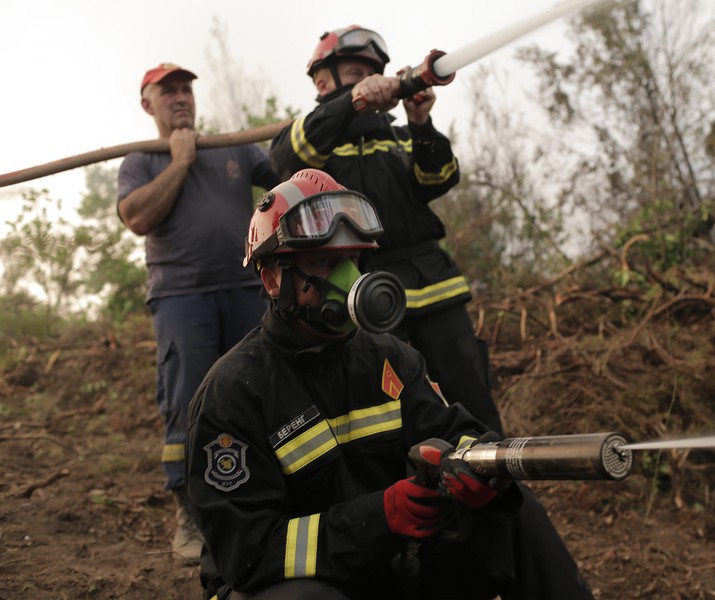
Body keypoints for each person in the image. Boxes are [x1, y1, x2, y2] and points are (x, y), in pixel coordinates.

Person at [184, 169, 596, 600]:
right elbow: (248, 552)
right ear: (273, 278)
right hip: (286, 583)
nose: (348, 281)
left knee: (514, 513)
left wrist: (479, 470)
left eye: (353, 261)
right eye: (325, 262)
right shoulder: (233, 393)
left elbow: (457, 432)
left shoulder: (390, 358)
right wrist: (378, 518)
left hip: (384, 562)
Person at [269, 26, 503, 435]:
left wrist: (421, 121)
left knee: (472, 395)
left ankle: (499, 482)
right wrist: (354, 102)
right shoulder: (313, 138)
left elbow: (439, 179)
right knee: (384, 407)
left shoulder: (398, 137)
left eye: (370, 72)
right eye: (355, 71)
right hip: (362, 290)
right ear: (325, 80)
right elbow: (286, 158)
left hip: (434, 286)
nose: (367, 79)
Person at [116, 63, 282, 564]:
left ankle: (268, 497)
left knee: (262, 390)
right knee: (188, 401)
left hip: (245, 288)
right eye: (168, 91)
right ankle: (190, 513)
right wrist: (179, 162)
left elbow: (291, 173)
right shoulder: (141, 160)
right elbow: (137, 217)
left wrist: (320, 126)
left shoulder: (230, 146)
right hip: (181, 297)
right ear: (148, 103)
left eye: (186, 88)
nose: (181, 97)